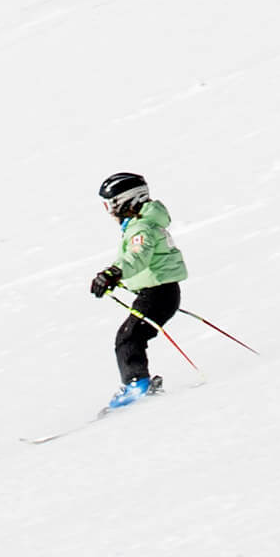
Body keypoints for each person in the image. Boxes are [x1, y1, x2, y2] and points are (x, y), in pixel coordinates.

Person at [89, 171, 189, 408]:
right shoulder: (141, 225)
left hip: (158, 294)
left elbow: (137, 257)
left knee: (129, 337)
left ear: (127, 201)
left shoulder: (141, 229)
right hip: (157, 292)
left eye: (111, 205)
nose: (110, 212)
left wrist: (113, 273)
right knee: (131, 335)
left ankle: (137, 385)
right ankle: (137, 383)